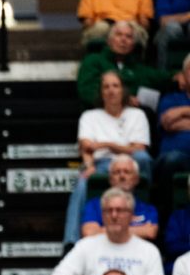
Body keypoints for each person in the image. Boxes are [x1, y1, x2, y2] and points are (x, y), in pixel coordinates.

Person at [63, 71, 152, 244]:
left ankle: (144, 209)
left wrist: (106, 145)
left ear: (123, 90)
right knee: (81, 182)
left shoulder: (137, 114)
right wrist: (89, 166)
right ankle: (71, 242)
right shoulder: (90, 116)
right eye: (106, 87)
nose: (111, 90)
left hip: (131, 162)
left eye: (115, 86)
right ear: (101, 92)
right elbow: (86, 147)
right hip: (101, 164)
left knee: (143, 158)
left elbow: (139, 148)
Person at [50, 188, 165, 275]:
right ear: (102, 215)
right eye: (108, 211)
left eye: (120, 210)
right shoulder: (86, 246)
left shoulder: (149, 251)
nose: (114, 215)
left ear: (131, 215)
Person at [76, 20, 174, 109]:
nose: (123, 40)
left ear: (133, 45)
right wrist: (123, 100)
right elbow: (87, 92)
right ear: (109, 40)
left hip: (130, 118)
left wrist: (177, 76)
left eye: (129, 37)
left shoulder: (136, 66)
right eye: (119, 35)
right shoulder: (93, 60)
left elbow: (160, 77)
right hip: (99, 115)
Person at [78, 155, 158, 242]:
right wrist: (140, 230)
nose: (122, 176)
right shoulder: (94, 205)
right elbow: (89, 233)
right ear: (110, 179)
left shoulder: (148, 209)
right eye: (117, 172)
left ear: (136, 179)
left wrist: (102, 230)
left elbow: (150, 232)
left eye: (127, 172)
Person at [156, 56, 190, 191]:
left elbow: (176, 121)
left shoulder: (177, 106)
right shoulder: (170, 99)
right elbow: (168, 123)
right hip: (174, 156)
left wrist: (182, 111)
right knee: (173, 159)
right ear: (183, 74)